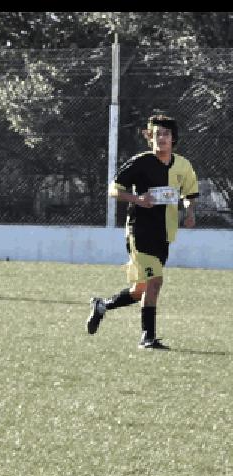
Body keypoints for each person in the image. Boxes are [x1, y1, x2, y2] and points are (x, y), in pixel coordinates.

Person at [86, 114, 198, 349]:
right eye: (157, 134)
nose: (161, 138)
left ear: (173, 138)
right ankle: (147, 337)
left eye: (166, 134)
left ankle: (102, 306)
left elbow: (189, 194)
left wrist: (189, 212)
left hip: (165, 233)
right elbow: (114, 190)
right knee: (155, 282)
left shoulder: (183, 166)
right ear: (151, 139)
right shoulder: (140, 162)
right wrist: (137, 199)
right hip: (139, 231)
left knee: (140, 290)